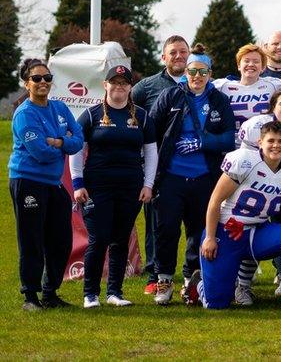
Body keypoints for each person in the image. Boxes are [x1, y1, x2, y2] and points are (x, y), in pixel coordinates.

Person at [184, 120, 281, 312]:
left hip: (256, 231)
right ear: (260, 142)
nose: (276, 145)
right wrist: (210, 237)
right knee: (216, 304)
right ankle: (198, 285)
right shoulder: (244, 160)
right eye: (271, 141)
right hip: (226, 231)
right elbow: (215, 201)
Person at [148, 44, 236, 305]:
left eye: (202, 71)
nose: (197, 76)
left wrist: (202, 142)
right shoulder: (170, 96)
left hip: (204, 176)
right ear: (185, 72)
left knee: (198, 230)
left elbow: (229, 139)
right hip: (172, 175)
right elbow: (151, 131)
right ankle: (164, 279)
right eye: (192, 71)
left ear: (210, 73)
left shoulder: (219, 100)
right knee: (166, 229)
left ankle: (192, 279)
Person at [69, 65, 157, 308]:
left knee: (120, 239)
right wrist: (78, 183)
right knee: (99, 239)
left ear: (130, 87)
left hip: (130, 186)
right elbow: (77, 149)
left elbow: (151, 152)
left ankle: (115, 292)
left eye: (124, 83)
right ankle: (90, 294)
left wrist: (148, 184)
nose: (119, 86)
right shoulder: (90, 114)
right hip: (97, 186)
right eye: (114, 82)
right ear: (105, 85)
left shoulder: (142, 116)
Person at [9, 58, 84, 311]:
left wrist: (57, 141)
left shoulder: (60, 108)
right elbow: (39, 152)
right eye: (37, 79)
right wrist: (62, 143)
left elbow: (78, 142)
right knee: (31, 239)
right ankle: (30, 297)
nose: (43, 83)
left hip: (53, 183)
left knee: (61, 240)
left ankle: (50, 293)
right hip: (28, 181)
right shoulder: (24, 114)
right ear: (26, 83)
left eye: (47, 78)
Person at [132, 34, 189, 295]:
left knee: (193, 222)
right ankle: (155, 275)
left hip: (192, 166)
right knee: (157, 221)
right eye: (173, 52)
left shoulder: (200, 82)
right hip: (158, 166)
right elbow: (129, 117)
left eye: (183, 52)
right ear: (163, 57)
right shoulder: (147, 86)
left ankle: (194, 274)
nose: (179, 56)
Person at [213, 43, 280, 134]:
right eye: (246, 61)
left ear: (263, 67)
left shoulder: (273, 85)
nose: (251, 64)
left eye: (256, 61)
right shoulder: (222, 86)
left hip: (264, 142)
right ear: (239, 66)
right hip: (233, 143)